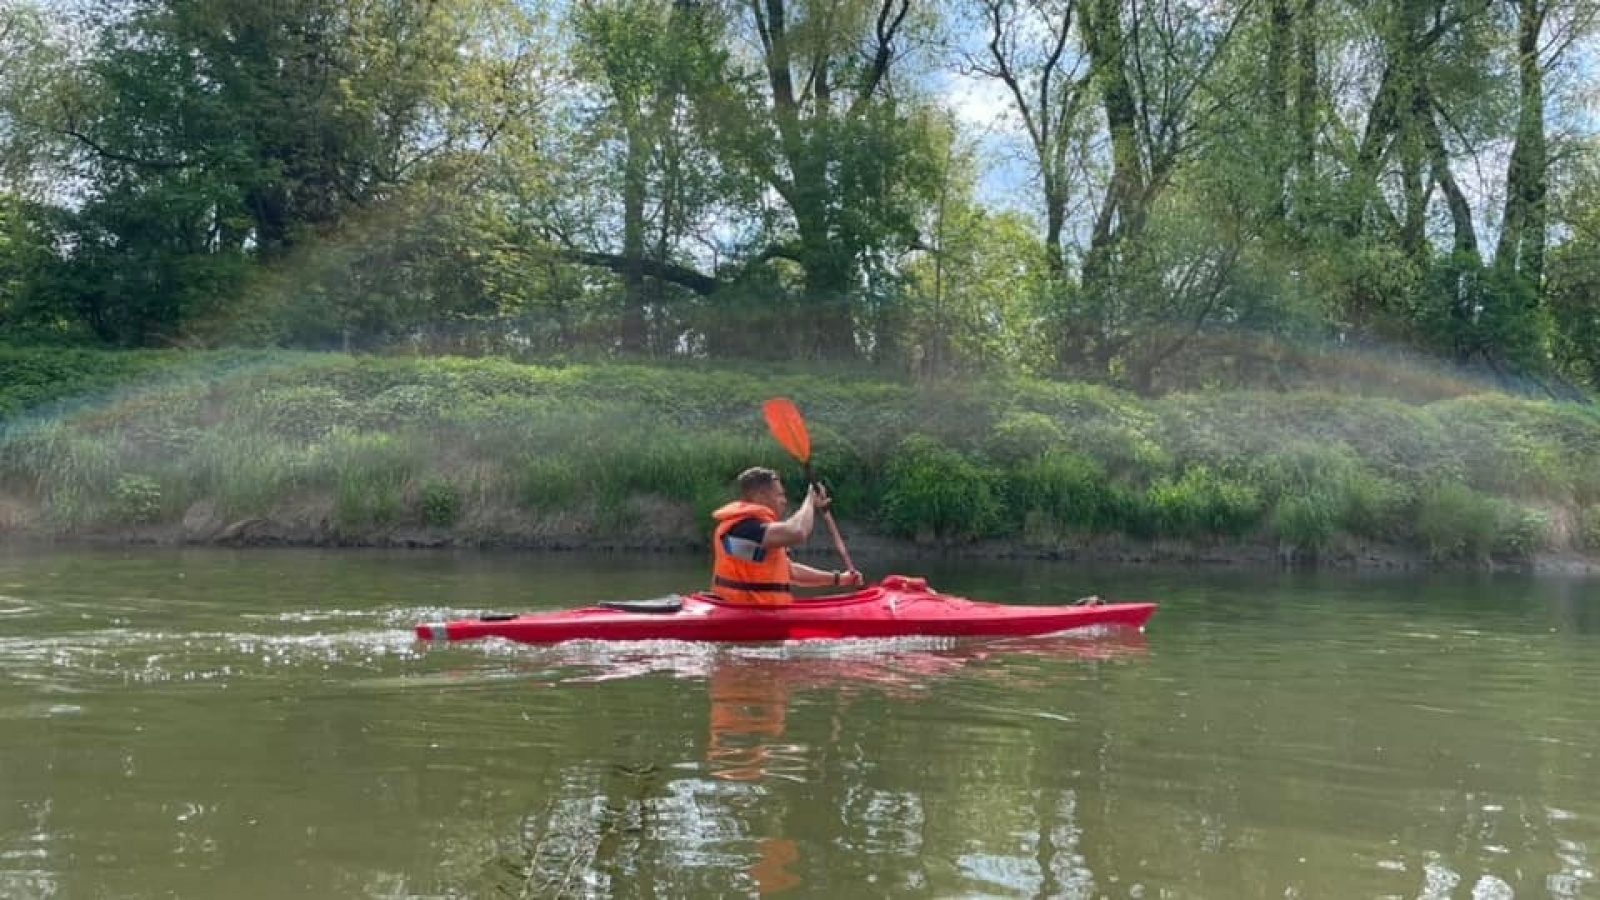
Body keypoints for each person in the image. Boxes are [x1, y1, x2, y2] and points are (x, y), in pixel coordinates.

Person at [711, 467, 864, 606]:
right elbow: (798, 532)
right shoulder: (743, 528)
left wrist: (838, 579)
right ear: (761, 496)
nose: (784, 501)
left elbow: (790, 572)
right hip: (746, 613)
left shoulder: (753, 530)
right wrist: (810, 500)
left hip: (757, 610)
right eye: (780, 495)